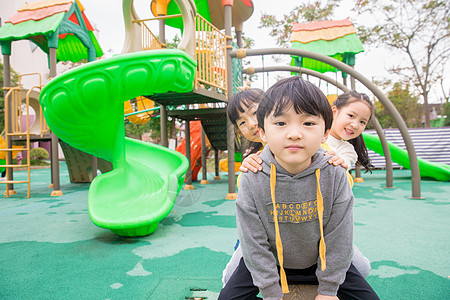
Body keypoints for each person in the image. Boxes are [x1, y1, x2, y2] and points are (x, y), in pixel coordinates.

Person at [218, 76, 379, 300]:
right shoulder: (252, 172)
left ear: (325, 132)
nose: (294, 133)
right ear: (263, 132)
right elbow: (253, 242)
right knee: (228, 291)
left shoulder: (334, 170)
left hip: (318, 257)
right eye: (281, 123)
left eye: (309, 123)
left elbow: (339, 237)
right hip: (271, 258)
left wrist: (328, 290)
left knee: (363, 279)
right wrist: (271, 293)